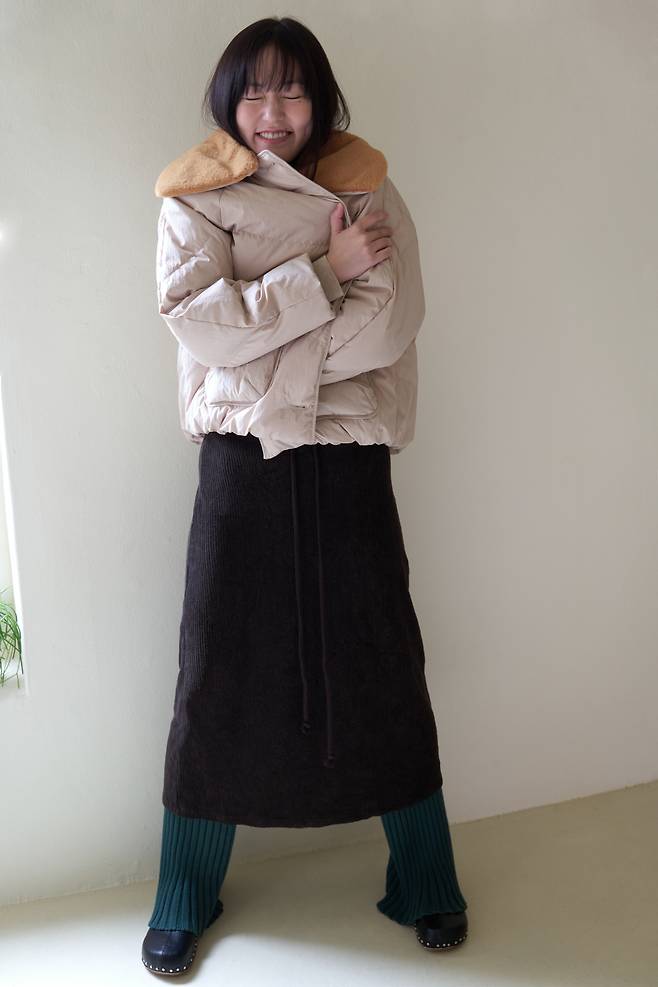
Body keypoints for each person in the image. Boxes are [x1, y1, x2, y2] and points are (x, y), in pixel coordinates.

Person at [142, 16, 469, 977]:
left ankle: (425, 879)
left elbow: (389, 323)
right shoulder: (191, 195)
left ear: (320, 98)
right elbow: (202, 329)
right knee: (215, 671)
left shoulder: (365, 180)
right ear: (228, 100)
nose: (273, 111)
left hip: (348, 456)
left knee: (384, 664)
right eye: (255, 91)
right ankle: (185, 890)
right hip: (240, 461)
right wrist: (327, 272)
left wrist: (267, 332)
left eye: (292, 89)